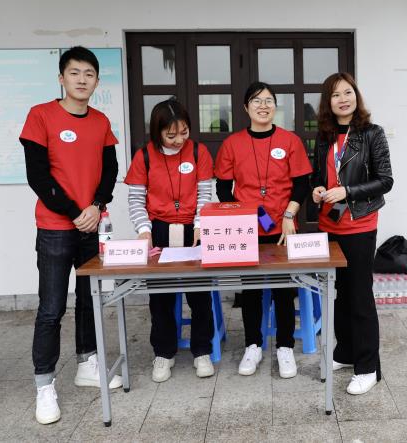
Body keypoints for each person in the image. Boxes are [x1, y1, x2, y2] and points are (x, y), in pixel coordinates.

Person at [19, 46, 121, 425]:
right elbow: (38, 175)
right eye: (75, 73)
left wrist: (96, 205)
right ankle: (44, 384)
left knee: (89, 300)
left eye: (89, 74)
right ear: (61, 78)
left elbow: (110, 170)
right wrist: (75, 212)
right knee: (51, 308)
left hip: (91, 225)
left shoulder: (101, 121)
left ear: (96, 81)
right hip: (55, 228)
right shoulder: (40, 115)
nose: (82, 80)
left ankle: (87, 362)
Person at [215, 81, 312, 378]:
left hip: (283, 226)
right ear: (246, 107)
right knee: (251, 290)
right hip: (248, 229)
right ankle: (253, 345)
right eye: (256, 100)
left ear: (275, 106)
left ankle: (285, 347)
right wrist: (244, 215)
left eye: (269, 100)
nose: (263, 105)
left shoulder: (290, 141)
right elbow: (223, 188)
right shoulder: (232, 143)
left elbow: (302, 183)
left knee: (284, 290)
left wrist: (288, 214)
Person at [311, 72, 393, 395]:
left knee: (360, 296)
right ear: (328, 103)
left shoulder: (372, 133)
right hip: (329, 224)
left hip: (359, 225)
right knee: (340, 294)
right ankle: (345, 352)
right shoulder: (324, 136)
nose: (343, 99)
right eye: (335, 95)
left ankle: (368, 367)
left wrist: (348, 191)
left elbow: (385, 180)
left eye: (348, 92)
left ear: (356, 96)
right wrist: (318, 189)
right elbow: (319, 175)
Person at [125, 98, 215, 383]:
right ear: (157, 131)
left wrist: (200, 225)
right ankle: (163, 353)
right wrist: (144, 230)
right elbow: (136, 198)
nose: (179, 140)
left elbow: (204, 194)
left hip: (192, 229)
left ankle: (202, 350)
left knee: (200, 294)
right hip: (159, 231)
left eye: (184, 132)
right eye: (171, 135)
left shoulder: (199, 152)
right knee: (160, 297)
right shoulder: (144, 156)